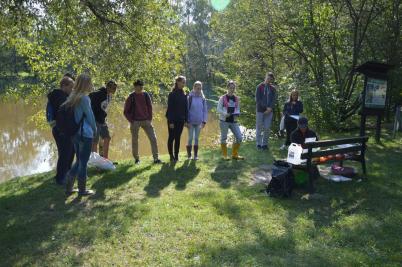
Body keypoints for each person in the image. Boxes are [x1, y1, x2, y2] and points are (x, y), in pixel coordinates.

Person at [64, 74, 97, 196]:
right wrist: (95, 130)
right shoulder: (84, 98)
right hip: (85, 133)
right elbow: (90, 116)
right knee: (83, 162)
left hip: (75, 133)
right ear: (85, 84)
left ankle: (69, 188)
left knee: (78, 160)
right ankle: (82, 190)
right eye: (90, 83)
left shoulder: (72, 96)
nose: (91, 85)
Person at [123, 80, 162, 164]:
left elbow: (150, 107)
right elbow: (125, 111)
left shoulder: (145, 95)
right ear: (135, 87)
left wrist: (149, 119)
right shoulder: (131, 97)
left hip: (146, 121)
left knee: (153, 138)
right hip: (135, 122)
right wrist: (131, 121)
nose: (141, 88)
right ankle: (137, 159)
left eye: (142, 86)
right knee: (135, 141)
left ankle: (156, 158)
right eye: (139, 86)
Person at [46, 76, 75, 185]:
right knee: (65, 154)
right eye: (70, 87)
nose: (72, 89)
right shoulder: (60, 97)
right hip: (62, 130)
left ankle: (65, 174)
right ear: (64, 86)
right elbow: (63, 116)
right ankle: (60, 178)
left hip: (59, 129)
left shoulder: (59, 95)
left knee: (69, 151)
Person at [89, 80, 117, 159]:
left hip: (102, 120)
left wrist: (103, 115)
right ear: (107, 87)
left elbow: (104, 107)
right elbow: (90, 98)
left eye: (115, 88)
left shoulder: (109, 95)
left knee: (107, 137)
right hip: (95, 120)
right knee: (95, 141)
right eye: (113, 88)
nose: (114, 90)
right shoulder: (98, 93)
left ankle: (105, 159)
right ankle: (95, 161)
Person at [217, 80, 244, 160]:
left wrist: (238, 113)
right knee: (223, 138)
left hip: (234, 121)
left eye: (233, 88)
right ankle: (224, 156)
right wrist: (225, 114)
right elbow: (218, 109)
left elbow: (238, 109)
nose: (232, 89)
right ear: (227, 88)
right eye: (230, 88)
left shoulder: (236, 98)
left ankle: (234, 155)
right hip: (224, 121)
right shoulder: (222, 98)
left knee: (239, 137)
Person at [166, 75, 188, 162]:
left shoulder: (184, 94)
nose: (184, 84)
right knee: (171, 137)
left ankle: (177, 156)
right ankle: (171, 156)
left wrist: (186, 120)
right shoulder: (172, 94)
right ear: (178, 82)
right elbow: (170, 109)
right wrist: (170, 121)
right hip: (172, 120)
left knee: (178, 138)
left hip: (181, 120)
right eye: (183, 82)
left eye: (184, 82)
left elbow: (185, 108)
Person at [255, 72, 277, 150]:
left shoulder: (273, 88)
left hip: (269, 111)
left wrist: (270, 108)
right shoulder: (259, 87)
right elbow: (258, 99)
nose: (269, 80)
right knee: (259, 127)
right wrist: (265, 108)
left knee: (267, 127)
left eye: (270, 79)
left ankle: (264, 144)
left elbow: (274, 100)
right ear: (265, 77)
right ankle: (258, 144)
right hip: (260, 110)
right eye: (268, 78)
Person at [186, 81, 208, 160]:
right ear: (194, 88)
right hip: (190, 122)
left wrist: (204, 121)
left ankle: (195, 155)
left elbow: (205, 111)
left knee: (196, 139)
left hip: (199, 122)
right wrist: (187, 121)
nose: (199, 90)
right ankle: (189, 156)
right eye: (197, 88)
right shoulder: (189, 97)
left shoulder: (203, 98)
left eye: (200, 88)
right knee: (190, 138)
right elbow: (186, 110)